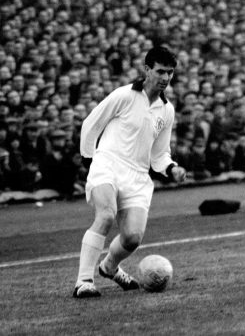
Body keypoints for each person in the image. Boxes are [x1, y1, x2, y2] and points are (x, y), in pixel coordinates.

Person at [73, 46, 186, 298]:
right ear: (147, 70)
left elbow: (159, 154)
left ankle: (109, 267)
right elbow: (91, 124)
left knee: (133, 238)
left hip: (137, 176)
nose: (166, 78)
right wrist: (89, 160)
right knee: (106, 215)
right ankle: (84, 282)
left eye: (170, 73)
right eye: (160, 71)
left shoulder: (167, 111)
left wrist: (171, 168)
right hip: (107, 164)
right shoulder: (124, 95)